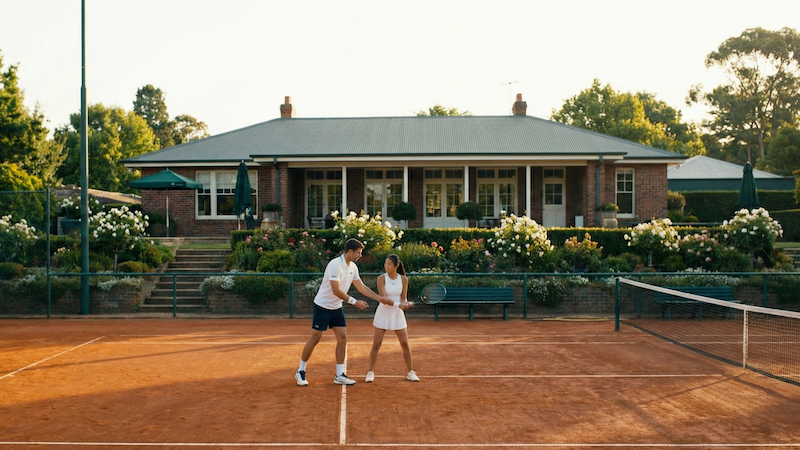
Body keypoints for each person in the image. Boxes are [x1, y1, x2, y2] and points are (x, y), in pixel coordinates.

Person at [295, 238, 389, 386]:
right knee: (315, 338)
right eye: (358, 252)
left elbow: (362, 287)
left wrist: (379, 298)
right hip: (322, 306)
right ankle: (300, 371)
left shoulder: (353, 267)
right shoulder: (335, 265)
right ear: (350, 251)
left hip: (336, 308)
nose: (360, 255)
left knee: (343, 338)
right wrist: (354, 302)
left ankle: (339, 375)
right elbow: (336, 290)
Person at [365, 254, 419, 383]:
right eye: (385, 263)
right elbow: (383, 299)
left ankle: (411, 372)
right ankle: (370, 372)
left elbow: (403, 297)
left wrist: (405, 304)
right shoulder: (381, 279)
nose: (386, 266)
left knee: (405, 344)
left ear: (396, 266)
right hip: (383, 312)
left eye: (389, 264)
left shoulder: (404, 279)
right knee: (376, 344)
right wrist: (399, 305)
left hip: (397, 314)